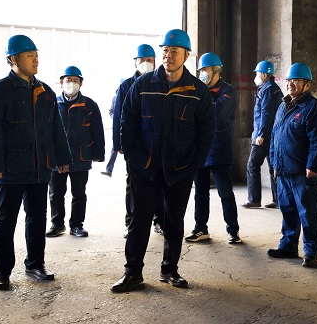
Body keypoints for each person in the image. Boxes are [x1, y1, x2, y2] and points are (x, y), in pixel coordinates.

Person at [111, 29, 214, 292]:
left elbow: (206, 130)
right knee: (139, 220)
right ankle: (132, 272)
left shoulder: (198, 90)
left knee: (174, 222)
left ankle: (169, 270)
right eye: (165, 50)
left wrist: (195, 163)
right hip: (145, 167)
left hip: (180, 168)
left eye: (174, 51)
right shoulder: (143, 85)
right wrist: (131, 157)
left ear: (186, 55)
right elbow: (127, 120)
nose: (168, 55)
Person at [0, 34, 72, 290]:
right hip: (10, 169)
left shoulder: (45, 92)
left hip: (41, 168)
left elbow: (56, 129)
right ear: (13, 59)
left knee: (37, 218)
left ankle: (35, 264)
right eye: (30, 55)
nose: (35, 59)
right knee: (6, 220)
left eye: (36, 55)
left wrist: (62, 158)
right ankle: (2, 270)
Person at [266, 63, 317, 268]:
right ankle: (288, 246)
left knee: (308, 213)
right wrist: (274, 163)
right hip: (283, 169)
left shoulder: (314, 109)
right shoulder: (283, 106)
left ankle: (311, 252)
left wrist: (313, 166)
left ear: (307, 84)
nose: (290, 83)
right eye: (288, 80)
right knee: (287, 210)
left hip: (303, 172)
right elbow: (275, 137)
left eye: (296, 80)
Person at [185, 53, 241, 243]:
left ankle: (233, 230)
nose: (202, 73)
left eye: (205, 70)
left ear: (216, 72)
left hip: (219, 148)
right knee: (200, 192)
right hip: (199, 148)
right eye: (200, 70)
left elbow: (218, 114)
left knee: (225, 192)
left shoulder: (228, 91)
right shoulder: (197, 90)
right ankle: (200, 228)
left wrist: (203, 106)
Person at [46, 66, 105, 238]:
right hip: (57, 158)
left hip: (81, 157)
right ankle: (57, 224)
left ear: (81, 84)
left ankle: (77, 225)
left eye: (75, 80)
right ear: (61, 83)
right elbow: (46, 131)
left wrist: (98, 154)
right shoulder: (53, 104)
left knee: (79, 193)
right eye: (68, 80)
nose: (71, 83)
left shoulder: (90, 105)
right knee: (56, 193)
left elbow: (98, 130)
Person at [112, 44, 163, 237]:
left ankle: (159, 221)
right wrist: (119, 144)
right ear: (135, 62)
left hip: (156, 144)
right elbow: (119, 116)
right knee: (133, 185)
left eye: (150, 60)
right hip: (135, 145)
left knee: (160, 183)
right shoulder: (126, 86)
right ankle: (131, 222)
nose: (146, 63)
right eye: (142, 60)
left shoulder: (160, 83)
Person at [242, 60, 283, 209]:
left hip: (264, 136)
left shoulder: (266, 90)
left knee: (252, 165)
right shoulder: (274, 88)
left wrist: (261, 134)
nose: (256, 76)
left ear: (265, 75)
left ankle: (254, 200)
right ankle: (278, 200)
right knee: (273, 167)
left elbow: (266, 114)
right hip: (273, 135)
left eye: (258, 73)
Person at [101, 91, 119, 177]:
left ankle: (130, 170)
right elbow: (110, 111)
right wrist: (115, 118)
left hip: (127, 126)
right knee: (115, 148)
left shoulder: (130, 95)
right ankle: (109, 170)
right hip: (117, 127)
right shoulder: (115, 98)